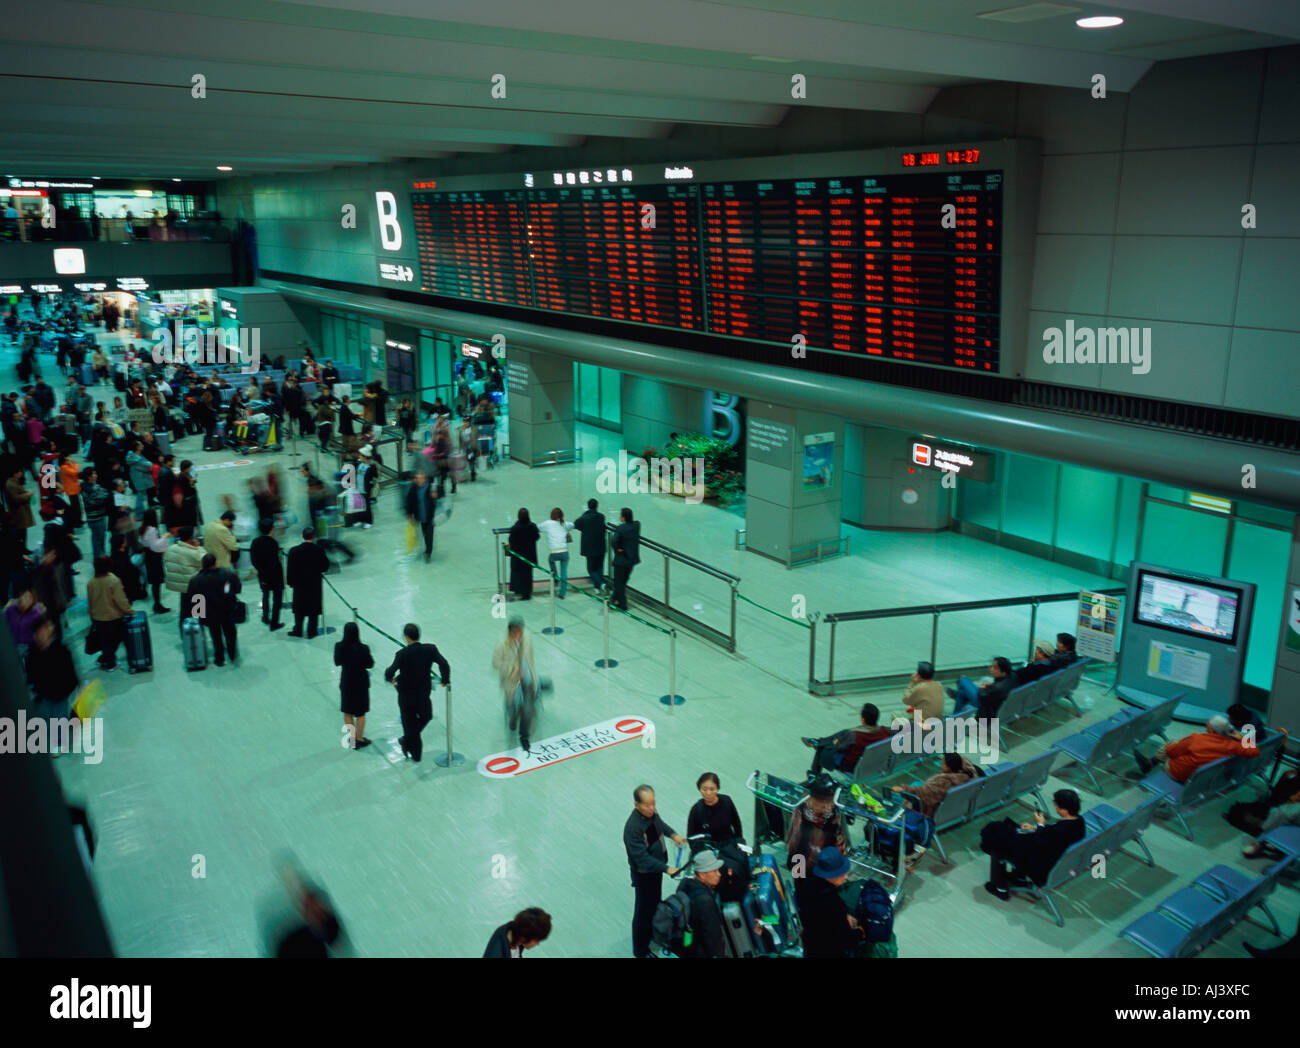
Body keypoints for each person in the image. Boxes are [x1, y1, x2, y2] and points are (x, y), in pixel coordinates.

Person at [982, 789, 1086, 900]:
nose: (1055, 807)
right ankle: (1018, 877)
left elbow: (1042, 842)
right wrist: (1035, 828)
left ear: (1064, 810)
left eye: (1056, 805)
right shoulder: (1079, 823)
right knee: (1005, 828)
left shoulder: (1061, 831)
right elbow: (1054, 836)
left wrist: (1040, 824)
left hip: (1040, 864)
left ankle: (1000, 888)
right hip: (1051, 857)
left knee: (996, 838)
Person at [623, 785, 687, 959]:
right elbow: (642, 859)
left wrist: (673, 835)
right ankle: (641, 950)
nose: (652, 808)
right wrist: (667, 869)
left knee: (654, 905)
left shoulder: (651, 814)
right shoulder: (633, 828)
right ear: (636, 804)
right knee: (643, 912)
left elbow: (659, 825)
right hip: (644, 875)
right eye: (647, 805)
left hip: (656, 871)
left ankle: (653, 933)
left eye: (653, 803)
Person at [384, 622, 450, 763]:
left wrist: (389, 678)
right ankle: (409, 743)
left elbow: (390, 671)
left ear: (407, 637)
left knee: (410, 726)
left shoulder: (401, 654)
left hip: (405, 697)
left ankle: (408, 743)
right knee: (427, 716)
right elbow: (444, 664)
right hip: (422, 695)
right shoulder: (430, 649)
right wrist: (445, 679)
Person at [1134, 714, 1260, 782]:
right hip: (1203, 779)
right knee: (1179, 745)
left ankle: (1150, 763)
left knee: (1171, 744)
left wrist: (1174, 748)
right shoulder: (1233, 745)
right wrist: (1240, 737)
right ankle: (1150, 763)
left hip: (1180, 774)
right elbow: (1255, 751)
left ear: (1211, 729)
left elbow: (1171, 752)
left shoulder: (1196, 739)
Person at [801, 702, 895, 780]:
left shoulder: (855, 735)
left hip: (850, 766)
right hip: (871, 764)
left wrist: (836, 742)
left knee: (823, 749)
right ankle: (818, 742)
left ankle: (814, 774)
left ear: (863, 719)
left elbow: (839, 748)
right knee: (844, 733)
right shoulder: (884, 731)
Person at [785, 778, 845, 898]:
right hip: (801, 855)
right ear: (811, 798)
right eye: (821, 802)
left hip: (824, 860)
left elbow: (838, 836)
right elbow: (793, 838)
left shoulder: (834, 814)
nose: (826, 806)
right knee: (801, 885)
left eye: (829, 802)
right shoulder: (801, 811)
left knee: (821, 890)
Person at [798, 846, 860, 959]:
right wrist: (860, 932)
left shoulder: (807, 884)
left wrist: (843, 916)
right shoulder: (835, 903)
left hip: (810, 944)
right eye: (842, 873)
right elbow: (846, 940)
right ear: (832, 875)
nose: (846, 877)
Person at [185, 552, 242, 667]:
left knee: (215, 635)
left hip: (209, 613)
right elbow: (238, 588)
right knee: (230, 633)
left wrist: (198, 615)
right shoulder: (227, 574)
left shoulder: (195, 580)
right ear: (215, 563)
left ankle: (219, 658)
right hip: (227, 610)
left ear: (202, 564)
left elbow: (193, 598)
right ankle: (232, 654)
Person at [492, 617, 539, 753]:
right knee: (512, 705)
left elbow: (531, 656)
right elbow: (496, 663)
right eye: (516, 631)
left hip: (527, 679)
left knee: (527, 709)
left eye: (520, 630)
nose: (519, 634)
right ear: (510, 631)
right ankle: (512, 716)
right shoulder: (502, 644)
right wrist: (511, 669)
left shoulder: (527, 638)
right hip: (511, 681)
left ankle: (524, 737)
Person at [674, 850, 729, 958]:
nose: (719, 874)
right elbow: (713, 937)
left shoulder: (685, 884)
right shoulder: (705, 901)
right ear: (702, 875)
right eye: (714, 871)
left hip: (687, 946)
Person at [891, 752, 980, 817]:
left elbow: (921, 793)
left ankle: (893, 812)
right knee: (917, 783)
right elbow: (965, 761)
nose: (941, 763)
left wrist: (902, 790)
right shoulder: (967, 774)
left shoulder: (943, 782)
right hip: (944, 802)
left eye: (943, 763)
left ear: (949, 768)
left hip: (927, 807)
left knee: (895, 795)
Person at [86, 554, 132, 671]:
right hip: (112, 617)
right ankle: (109, 663)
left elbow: (90, 602)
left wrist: (91, 616)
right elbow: (120, 600)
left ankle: (103, 658)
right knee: (115, 640)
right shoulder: (113, 580)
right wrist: (129, 610)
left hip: (97, 617)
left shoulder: (91, 582)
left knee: (104, 640)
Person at [334, 621, 374, 750]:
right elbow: (370, 664)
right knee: (361, 713)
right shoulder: (364, 648)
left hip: (347, 682)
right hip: (361, 683)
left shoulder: (339, 646)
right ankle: (359, 739)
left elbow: (337, 662)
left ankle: (352, 739)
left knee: (348, 712)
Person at [286, 527, 330, 638]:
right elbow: (325, 566)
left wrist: (290, 582)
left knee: (299, 608)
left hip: (299, 586)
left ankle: (298, 630)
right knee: (313, 608)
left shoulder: (294, 551)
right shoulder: (319, 550)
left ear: (302, 536)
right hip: (314, 585)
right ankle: (311, 631)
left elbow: (290, 569)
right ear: (314, 537)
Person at [687, 772, 744, 851]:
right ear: (699, 788)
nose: (708, 793)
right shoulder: (696, 810)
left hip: (729, 846)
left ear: (717, 788)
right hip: (708, 849)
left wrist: (739, 843)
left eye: (712, 789)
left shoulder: (727, 801)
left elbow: (737, 824)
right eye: (704, 789)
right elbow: (691, 838)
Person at [949, 657, 1015, 719]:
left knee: (963, 679)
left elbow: (981, 694)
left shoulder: (997, 688)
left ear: (1003, 673)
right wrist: (991, 686)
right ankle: (954, 717)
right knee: (961, 694)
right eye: (992, 666)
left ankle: (956, 695)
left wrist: (982, 687)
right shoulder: (1011, 676)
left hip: (985, 708)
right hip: (993, 703)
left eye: (995, 668)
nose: (991, 669)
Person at [250, 519, 285, 631]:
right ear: (272, 528)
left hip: (263, 575)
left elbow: (254, 560)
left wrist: (262, 574)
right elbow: (274, 562)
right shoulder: (273, 543)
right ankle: (274, 623)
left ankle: (265, 617)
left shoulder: (255, 542)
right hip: (275, 576)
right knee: (277, 599)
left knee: (265, 596)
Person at [483, 907, 553, 959]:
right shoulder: (496, 954)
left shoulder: (515, 930)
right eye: (536, 940)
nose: (537, 944)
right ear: (524, 937)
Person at [138, 508, 170, 613]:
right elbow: (155, 546)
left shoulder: (142, 529)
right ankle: (157, 604)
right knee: (157, 582)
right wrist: (164, 538)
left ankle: (157, 603)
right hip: (154, 557)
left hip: (148, 556)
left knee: (155, 582)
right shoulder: (152, 530)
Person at [538, 507, 573, 599]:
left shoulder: (548, 523)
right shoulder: (565, 524)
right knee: (564, 573)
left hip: (554, 553)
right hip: (565, 552)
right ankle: (562, 594)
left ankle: (555, 576)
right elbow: (573, 525)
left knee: (550, 560)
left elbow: (537, 528)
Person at [505, 508, 539, 601]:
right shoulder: (532, 526)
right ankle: (526, 593)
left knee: (517, 573)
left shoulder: (515, 528)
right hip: (529, 556)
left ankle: (517, 590)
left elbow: (511, 540)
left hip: (517, 556)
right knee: (528, 575)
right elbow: (536, 537)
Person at [573, 498, 606, 592]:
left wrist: (585, 514)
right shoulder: (601, 517)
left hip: (590, 548)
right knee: (599, 567)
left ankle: (601, 583)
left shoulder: (584, 518)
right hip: (601, 546)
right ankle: (597, 588)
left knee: (591, 569)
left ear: (588, 506)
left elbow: (576, 524)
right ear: (597, 506)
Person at [610, 506, 640, 611]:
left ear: (623, 517)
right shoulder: (636, 526)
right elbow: (636, 522)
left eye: (621, 515)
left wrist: (618, 549)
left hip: (621, 561)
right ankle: (613, 598)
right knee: (623, 581)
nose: (619, 516)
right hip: (632, 560)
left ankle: (623, 605)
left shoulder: (620, 528)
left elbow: (614, 541)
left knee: (619, 583)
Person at [405, 470, 437, 562]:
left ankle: (428, 553)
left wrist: (436, 495)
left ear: (425, 478)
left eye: (420, 478)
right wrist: (409, 514)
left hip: (430, 516)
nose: (418, 480)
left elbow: (440, 493)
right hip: (420, 516)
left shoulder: (431, 486)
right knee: (424, 534)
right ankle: (427, 548)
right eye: (417, 478)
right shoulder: (414, 488)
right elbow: (409, 501)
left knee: (429, 535)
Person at [164, 526, 204, 598]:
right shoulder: (193, 552)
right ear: (191, 537)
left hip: (180, 585)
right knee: (197, 607)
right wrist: (198, 547)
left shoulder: (171, 548)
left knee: (185, 604)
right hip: (193, 584)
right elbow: (206, 560)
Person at [80, 467, 111, 558]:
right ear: (89, 477)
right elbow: (96, 500)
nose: (96, 475)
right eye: (94, 474)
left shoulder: (95, 486)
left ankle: (101, 556)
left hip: (100, 516)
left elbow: (105, 494)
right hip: (95, 518)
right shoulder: (86, 488)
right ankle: (100, 558)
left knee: (100, 537)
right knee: (98, 539)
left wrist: (101, 494)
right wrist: (101, 495)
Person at [5, 464, 34, 552]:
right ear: (15, 473)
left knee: (23, 532)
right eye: (19, 471)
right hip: (18, 513)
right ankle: (21, 549)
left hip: (21, 511)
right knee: (20, 533)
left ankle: (23, 548)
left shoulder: (14, 481)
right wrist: (27, 495)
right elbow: (16, 498)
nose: (21, 473)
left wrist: (25, 492)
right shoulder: (11, 484)